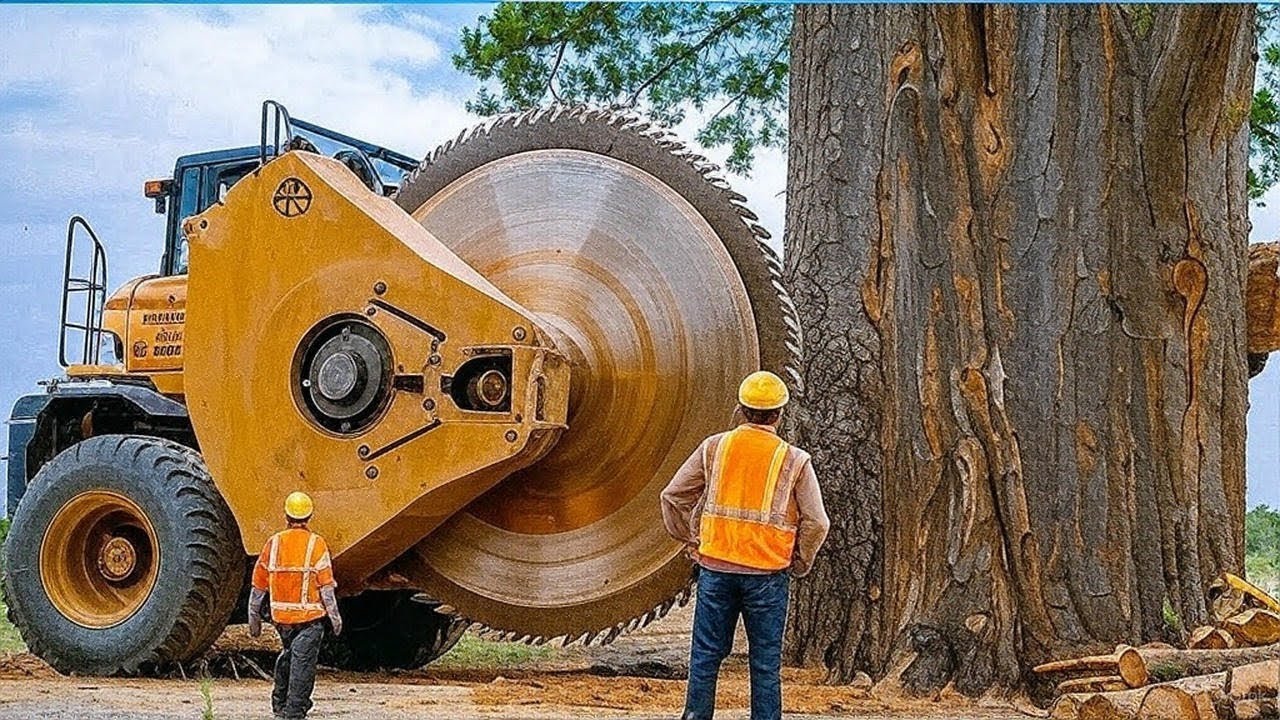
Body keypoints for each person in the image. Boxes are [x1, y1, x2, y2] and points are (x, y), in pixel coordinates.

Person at [661, 371, 830, 720]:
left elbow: (673, 497)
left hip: (716, 570)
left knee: (705, 656)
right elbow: (817, 522)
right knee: (765, 664)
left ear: (740, 409)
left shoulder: (714, 448)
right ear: (779, 413)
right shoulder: (794, 460)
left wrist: (690, 539)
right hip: (768, 575)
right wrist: (800, 561)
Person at [248, 491, 344, 720]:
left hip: (282, 620)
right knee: (303, 664)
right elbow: (326, 588)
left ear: (286, 515)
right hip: (309, 620)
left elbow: (258, 587)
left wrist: (254, 620)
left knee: (289, 656)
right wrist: (335, 618)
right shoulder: (316, 544)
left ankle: (279, 704)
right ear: (309, 516)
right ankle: (294, 712)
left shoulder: (273, 543)